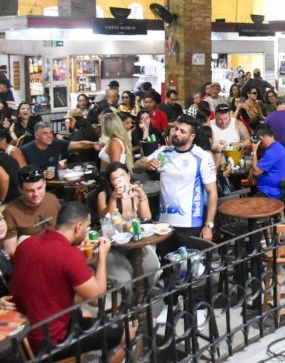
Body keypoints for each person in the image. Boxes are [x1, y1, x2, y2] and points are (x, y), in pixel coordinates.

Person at [11, 202, 121, 357]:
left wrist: (78, 259)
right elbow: (96, 299)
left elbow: (50, 270)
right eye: (87, 227)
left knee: (83, 315)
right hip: (51, 342)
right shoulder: (69, 255)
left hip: (23, 336)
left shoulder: (26, 244)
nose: (87, 231)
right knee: (120, 331)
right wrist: (102, 256)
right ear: (78, 227)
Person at [134, 114, 217, 253]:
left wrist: (209, 225)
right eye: (176, 129)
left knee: (189, 264)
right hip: (164, 224)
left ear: (192, 136)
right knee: (166, 262)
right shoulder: (164, 152)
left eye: (182, 131)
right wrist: (146, 164)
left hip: (190, 223)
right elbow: (135, 166)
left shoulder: (202, 157)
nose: (176, 133)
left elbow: (212, 192)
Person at [97, 162, 160, 290]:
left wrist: (141, 196)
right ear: (110, 182)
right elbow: (107, 220)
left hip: (134, 241)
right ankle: (135, 295)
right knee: (127, 274)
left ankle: (143, 294)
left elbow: (146, 217)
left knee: (152, 265)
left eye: (122, 176)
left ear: (128, 176)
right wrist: (113, 198)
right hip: (115, 245)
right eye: (115, 179)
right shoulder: (104, 196)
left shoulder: (134, 192)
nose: (120, 180)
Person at [3, 165, 62, 257]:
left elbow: (63, 228)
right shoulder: (10, 212)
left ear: (45, 184)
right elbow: (11, 251)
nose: (36, 194)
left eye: (39, 188)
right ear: (20, 189)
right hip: (31, 257)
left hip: (57, 251)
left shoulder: (52, 199)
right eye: (30, 190)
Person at [21, 121, 100, 179]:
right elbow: (23, 174)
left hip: (56, 185)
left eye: (51, 133)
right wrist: (40, 174)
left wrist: (94, 144)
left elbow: (80, 144)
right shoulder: (25, 150)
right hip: (35, 188)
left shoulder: (56, 143)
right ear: (36, 135)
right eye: (45, 133)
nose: (49, 136)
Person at [249, 125, 285, 211]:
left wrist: (254, 151)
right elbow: (259, 165)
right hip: (277, 190)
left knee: (246, 207)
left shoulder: (272, 151)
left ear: (261, 138)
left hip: (271, 193)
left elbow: (256, 172)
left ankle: (258, 218)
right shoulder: (277, 146)